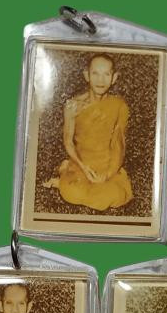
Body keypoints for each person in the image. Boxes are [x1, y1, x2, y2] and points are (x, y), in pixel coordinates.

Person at [44, 53, 133, 211]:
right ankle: (66, 175)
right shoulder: (73, 106)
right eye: (95, 73)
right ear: (87, 76)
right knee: (73, 191)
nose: (100, 80)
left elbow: (119, 144)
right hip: (81, 163)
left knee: (115, 195)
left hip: (106, 165)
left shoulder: (120, 106)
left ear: (114, 78)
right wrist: (84, 168)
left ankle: (64, 180)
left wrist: (108, 174)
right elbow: (68, 142)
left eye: (106, 74)